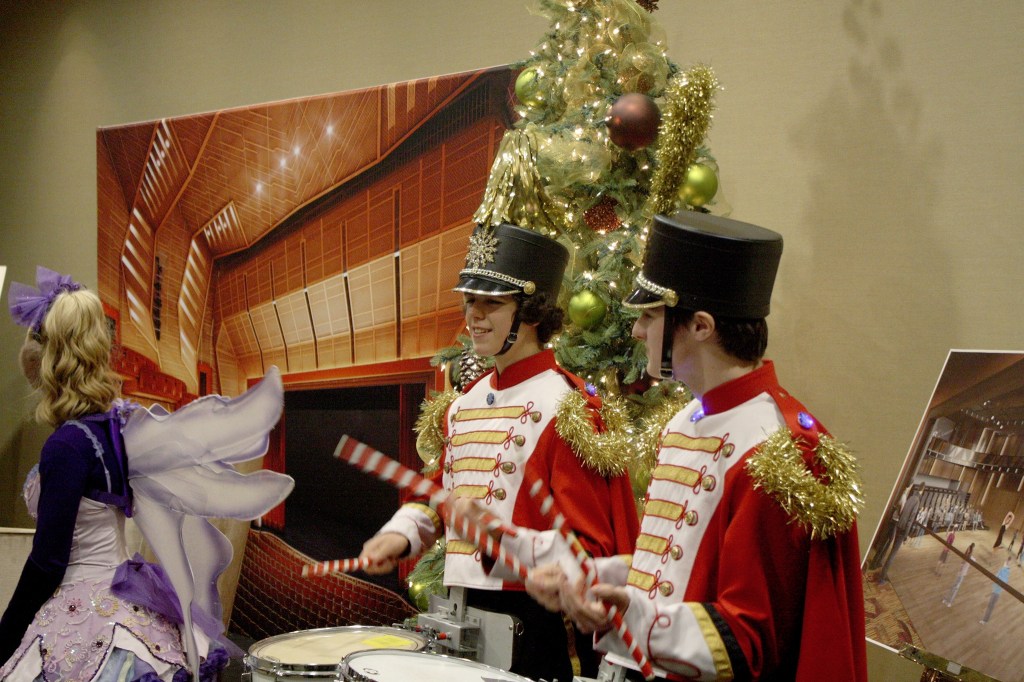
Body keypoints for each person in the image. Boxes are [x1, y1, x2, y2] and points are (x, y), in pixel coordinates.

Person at [527, 212, 867, 680]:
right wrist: (595, 579)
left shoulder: (780, 449)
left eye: (649, 315)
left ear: (702, 326)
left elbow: (751, 640)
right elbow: (672, 569)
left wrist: (628, 617)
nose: (636, 331)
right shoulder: (687, 419)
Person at [358, 223, 639, 682]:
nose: (475, 315)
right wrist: (403, 534)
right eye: (470, 300)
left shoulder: (566, 406)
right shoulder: (463, 402)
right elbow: (441, 495)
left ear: (530, 311)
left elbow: (590, 547)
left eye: (493, 302)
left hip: (532, 624)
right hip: (457, 611)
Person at [1, 267, 293, 682]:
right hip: (126, 600)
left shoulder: (67, 445)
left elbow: (48, 561)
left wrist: (5, 635)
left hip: (85, 613)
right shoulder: (110, 429)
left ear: (47, 367)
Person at [876, 483, 924, 585]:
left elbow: (903, 512)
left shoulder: (911, 498)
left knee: (891, 550)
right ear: (922, 490)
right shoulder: (917, 501)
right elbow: (911, 519)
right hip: (903, 529)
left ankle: (882, 574)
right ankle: (882, 577)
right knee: (893, 553)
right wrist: (906, 534)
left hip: (898, 526)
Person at [979, 557, 1012, 624]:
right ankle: (985, 620)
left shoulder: (1004, 570)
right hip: (996, 590)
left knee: (990, 605)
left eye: (1007, 562)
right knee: (991, 605)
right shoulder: (1005, 570)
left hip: (997, 591)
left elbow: (1000, 579)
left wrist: (998, 578)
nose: (1005, 562)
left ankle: (985, 620)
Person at [942, 542, 975, 607]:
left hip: (962, 575)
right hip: (959, 574)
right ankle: (946, 599)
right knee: (952, 587)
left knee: (955, 589)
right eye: (967, 549)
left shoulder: (971, 558)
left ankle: (950, 602)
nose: (967, 551)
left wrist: (970, 556)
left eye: (969, 550)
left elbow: (974, 560)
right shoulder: (964, 556)